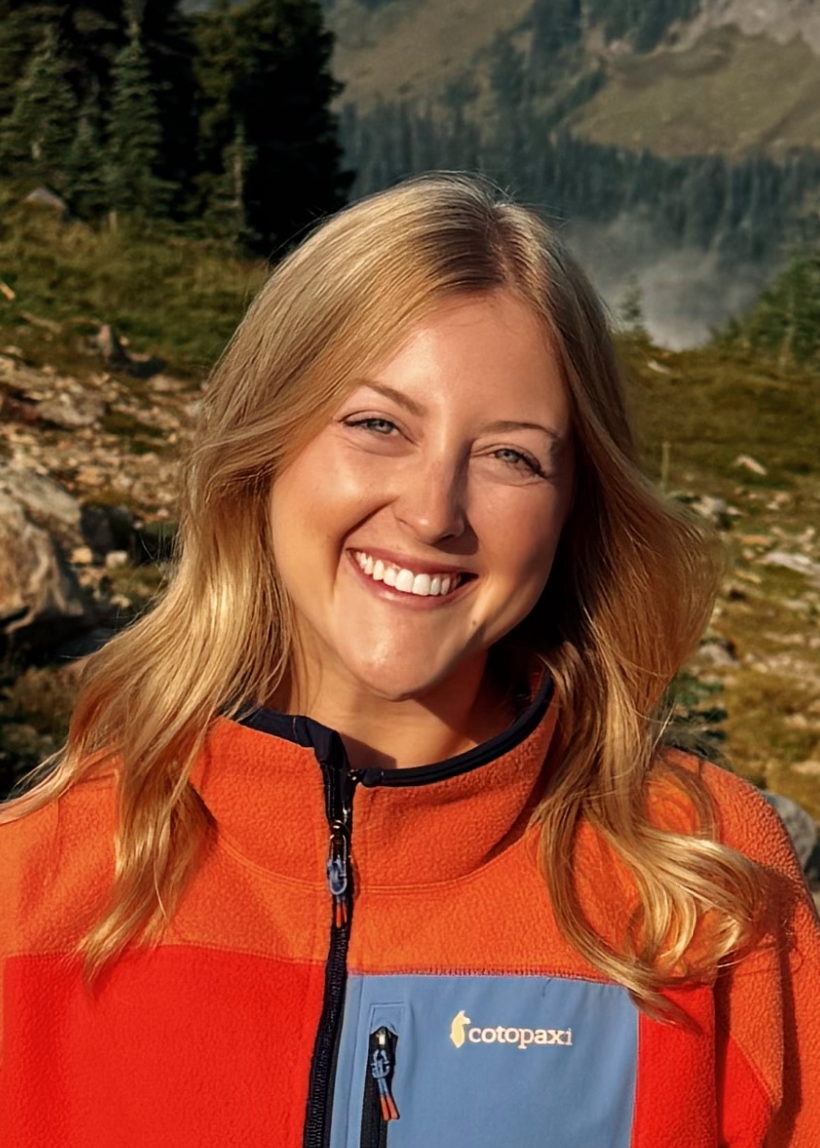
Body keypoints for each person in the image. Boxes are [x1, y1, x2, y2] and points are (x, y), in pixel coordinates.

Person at [1, 173, 818, 1148]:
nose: (434, 512)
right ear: (266, 448)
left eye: (512, 455)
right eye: (377, 424)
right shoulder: (33, 882)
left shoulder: (707, 878)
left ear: (572, 508)